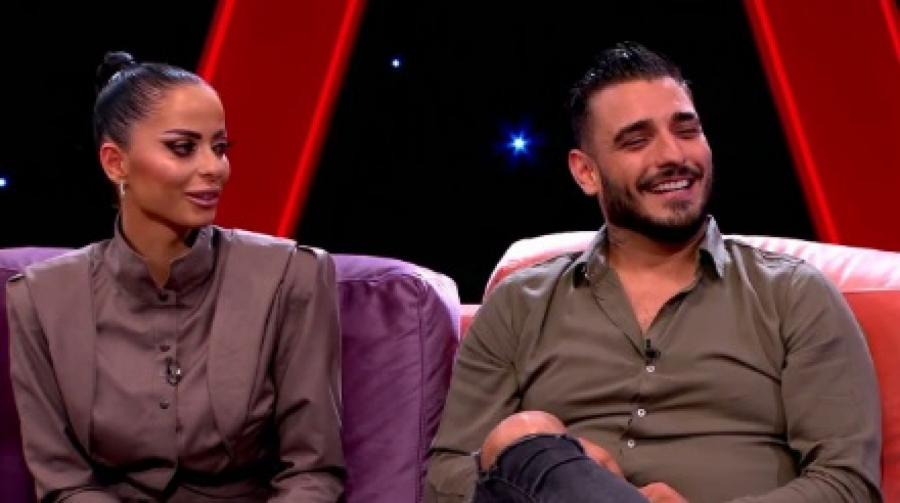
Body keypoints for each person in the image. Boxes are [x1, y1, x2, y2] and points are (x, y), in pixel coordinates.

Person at [426, 41, 882, 502]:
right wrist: (559, 470)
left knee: (521, 439)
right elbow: (446, 478)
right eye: (637, 141)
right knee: (523, 438)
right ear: (586, 173)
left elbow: (846, 485)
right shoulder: (518, 306)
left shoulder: (795, 296)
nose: (672, 155)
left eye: (687, 131)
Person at [7, 51, 345, 502]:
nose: (214, 168)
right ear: (115, 162)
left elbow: (313, 473)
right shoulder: (40, 299)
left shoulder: (291, 276)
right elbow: (64, 483)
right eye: (183, 147)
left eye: (220, 148)